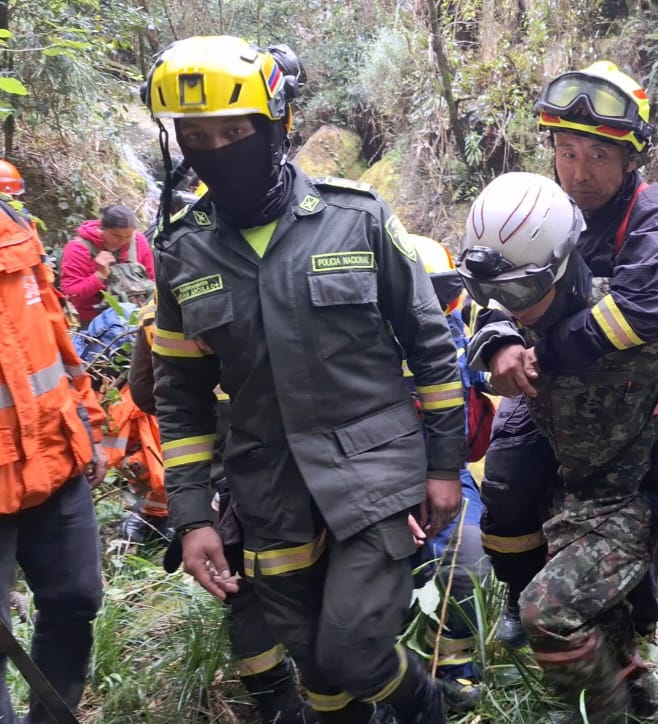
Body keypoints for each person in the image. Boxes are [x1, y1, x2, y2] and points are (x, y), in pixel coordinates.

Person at [142, 35, 468, 723]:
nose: (218, 149)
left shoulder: (358, 219)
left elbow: (432, 351)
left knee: (355, 654)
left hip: (375, 476)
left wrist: (444, 466)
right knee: (320, 675)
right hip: (268, 492)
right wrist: (194, 515)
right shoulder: (181, 253)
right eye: (198, 136)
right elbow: (181, 400)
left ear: (276, 123)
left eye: (236, 131)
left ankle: (425, 705)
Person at [480, 60, 658, 706]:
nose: (580, 172)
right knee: (508, 469)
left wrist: (542, 346)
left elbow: (639, 314)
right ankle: (523, 593)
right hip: (570, 382)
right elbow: (497, 278)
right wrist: (500, 344)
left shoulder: (654, 214)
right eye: (568, 151)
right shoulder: (538, 207)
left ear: (630, 157)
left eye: (599, 155)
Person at [127, 298, 315, 723]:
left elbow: (147, 394)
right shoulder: (263, 282)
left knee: (240, 585)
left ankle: (276, 701)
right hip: (279, 456)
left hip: (214, 468)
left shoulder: (155, 312)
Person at [0, 179, 107, 723]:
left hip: (54, 457)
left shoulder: (10, 223)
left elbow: (56, 337)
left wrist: (88, 423)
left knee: (76, 602)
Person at [404, 235, 489, 699]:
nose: (432, 306)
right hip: (374, 478)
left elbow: (476, 374)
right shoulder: (360, 344)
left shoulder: (455, 332)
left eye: (440, 293)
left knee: (468, 552)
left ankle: (454, 666)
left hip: (446, 473)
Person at [60, 204, 156, 323]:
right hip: (97, 324)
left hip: (140, 316)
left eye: (127, 236)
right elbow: (71, 294)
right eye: (116, 236)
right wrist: (99, 276)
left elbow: (152, 280)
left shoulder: (138, 241)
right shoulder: (77, 249)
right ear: (102, 227)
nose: (122, 241)